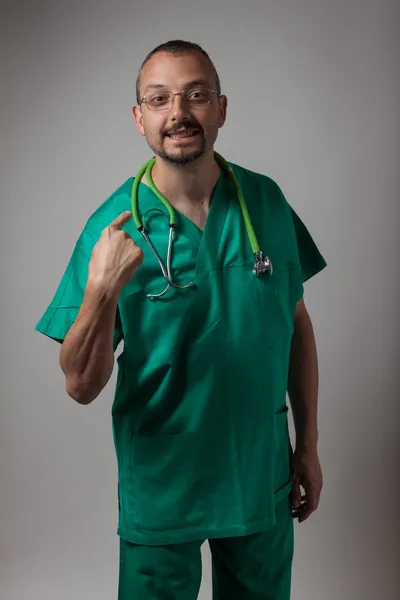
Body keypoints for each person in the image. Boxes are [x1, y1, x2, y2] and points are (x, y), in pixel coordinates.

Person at [35, 39, 327, 600]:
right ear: (139, 117)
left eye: (196, 95)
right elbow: (79, 385)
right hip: (164, 475)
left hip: (258, 468)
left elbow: (298, 325)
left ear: (220, 108)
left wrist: (308, 445)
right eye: (160, 98)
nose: (179, 113)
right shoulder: (114, 226)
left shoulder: (264, 202)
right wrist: (100, 291)